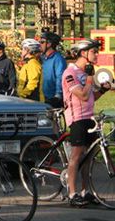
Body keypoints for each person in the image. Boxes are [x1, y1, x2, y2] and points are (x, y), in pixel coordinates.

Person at [63, 39, 111, 207]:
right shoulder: (70, 73)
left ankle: (86, 191)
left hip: (89, 117)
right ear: (84, 53)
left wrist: (103, 90)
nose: (96, 54)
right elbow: (82, 96)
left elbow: (91, 97)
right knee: (76, 157)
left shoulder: (84, 73)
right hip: (77, 119)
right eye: (94, 52)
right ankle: (72, 193)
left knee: (88, 157)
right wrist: (91, 78)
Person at [39, 30, 66, 108]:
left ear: (49, 44)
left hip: (53, 98)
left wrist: (58, 95)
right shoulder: (44, 58)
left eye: (42, 42)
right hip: (43, 97)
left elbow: (60, 77)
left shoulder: (58, 59)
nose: (40, 44)